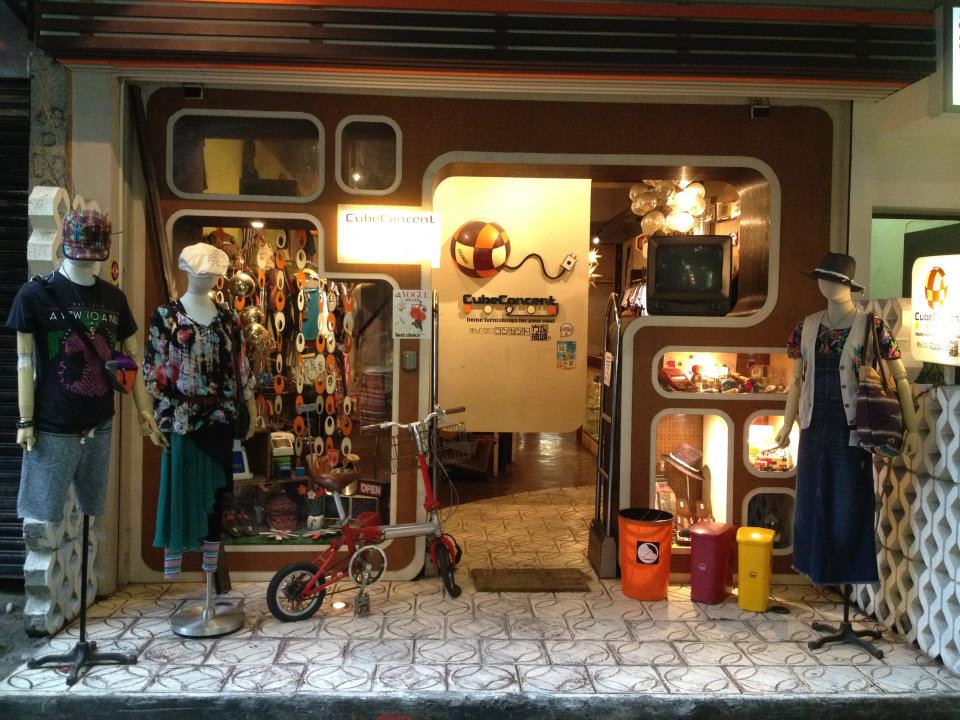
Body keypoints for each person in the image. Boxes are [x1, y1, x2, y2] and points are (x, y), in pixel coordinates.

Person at [6, 209, 166, 524]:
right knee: (42, 514)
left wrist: (144, 410)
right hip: (52, 425)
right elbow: (24, 360)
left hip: (100, 423)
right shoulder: (35, 294)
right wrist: (25, 420)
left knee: (91, 509)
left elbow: (133, 357)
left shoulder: (114, 298)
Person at [775, 252, 917, 585]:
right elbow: (796, 380)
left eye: (834, 280)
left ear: (848, 285)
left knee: (848, 502)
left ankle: (849, 571)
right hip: (812, 426)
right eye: (822, 279)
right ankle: (816, 567)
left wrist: (910, 426)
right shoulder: (806, 326)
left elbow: (900, 377)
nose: (825, 285)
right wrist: (787, 422)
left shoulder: (871, 325)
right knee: (810, 500)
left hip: (852, 427)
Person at [143, 243, 256, 580]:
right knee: (180, 491)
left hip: (220, 418)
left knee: (215, 497)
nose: (207, 279)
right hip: (180, 419)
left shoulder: (228, 318)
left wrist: (250, 408)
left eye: (212, 275)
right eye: (201, 273)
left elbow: (241, 366)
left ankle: (210, 568)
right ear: (187, 271)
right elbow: (153, 370)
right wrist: (149, 419)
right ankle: (177, 563)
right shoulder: (166, 317)